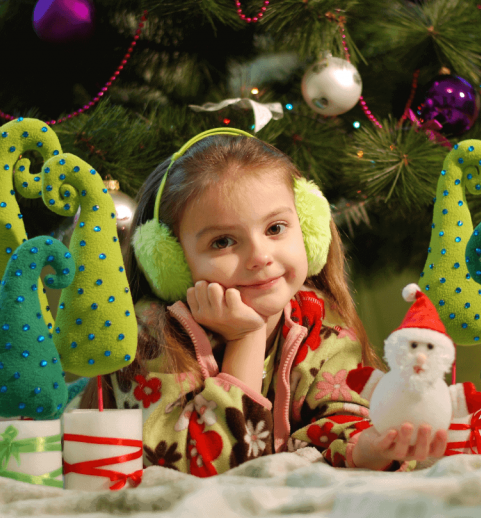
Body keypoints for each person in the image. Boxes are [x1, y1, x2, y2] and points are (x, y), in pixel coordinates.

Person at [79, 128, 448, 475]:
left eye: (275, 228)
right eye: (222, 241)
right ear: (169, 262)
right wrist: (247, 339)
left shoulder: (317, 318)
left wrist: (367, 447)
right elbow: (204, 467)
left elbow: (342, 419)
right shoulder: (151, 334)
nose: (260, 256)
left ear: (308, 228)